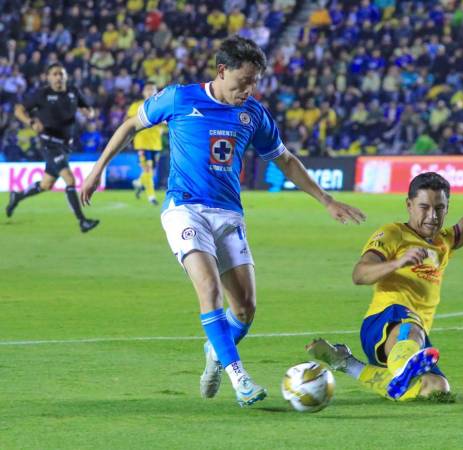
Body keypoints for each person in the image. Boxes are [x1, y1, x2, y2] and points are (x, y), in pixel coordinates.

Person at [80, 36, 365, 407]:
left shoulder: (254, 115)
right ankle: (239, 378)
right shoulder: (180, 98)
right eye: (242, 82)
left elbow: (285, 160)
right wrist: (96, 170)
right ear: (221, 71)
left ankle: (216, 350)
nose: (248, 90)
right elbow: (131, 125)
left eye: (255, 82)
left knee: (244, 310)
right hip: (185, 208)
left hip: (229, 214)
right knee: (208, 288)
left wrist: (325, 200)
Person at [307, 123, 463, 401]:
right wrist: (396, 263)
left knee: (436, 390)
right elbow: (360, 274)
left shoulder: (445, 241)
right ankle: (405, 364)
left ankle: (349, 363)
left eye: (440, 208)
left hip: (414, 337)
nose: (432, 215)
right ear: (409, 205)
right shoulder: (393, 234)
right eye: (424, 207)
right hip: (385, 321)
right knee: (411, 324)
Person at [7, 63, 99, 233]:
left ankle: (17, 196)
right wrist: (31, 122)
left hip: (65, 146)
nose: (59, 77)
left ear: (66, 76)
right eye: (55, 74)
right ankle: (82, 221)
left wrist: (89, 113)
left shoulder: (73, 92)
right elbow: (19, 109)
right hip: (49, 143)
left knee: (46, 184)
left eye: (61, 74)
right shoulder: (42, 94)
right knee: (70, 180)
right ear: (48, 77)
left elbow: (89, 109)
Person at [127, 81, 164, 205]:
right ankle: (151, 196)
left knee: (150, 171)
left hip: (156, 144)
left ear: (156, 92)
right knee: (148, 169)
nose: (150, 91)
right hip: (142, 143)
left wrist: (163, 125)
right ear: (143, 92)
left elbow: (167, 123)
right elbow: (130, 122)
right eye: (147, 89)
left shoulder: (162, 106)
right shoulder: (137, 106)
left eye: (152, 89)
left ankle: (138, 183)